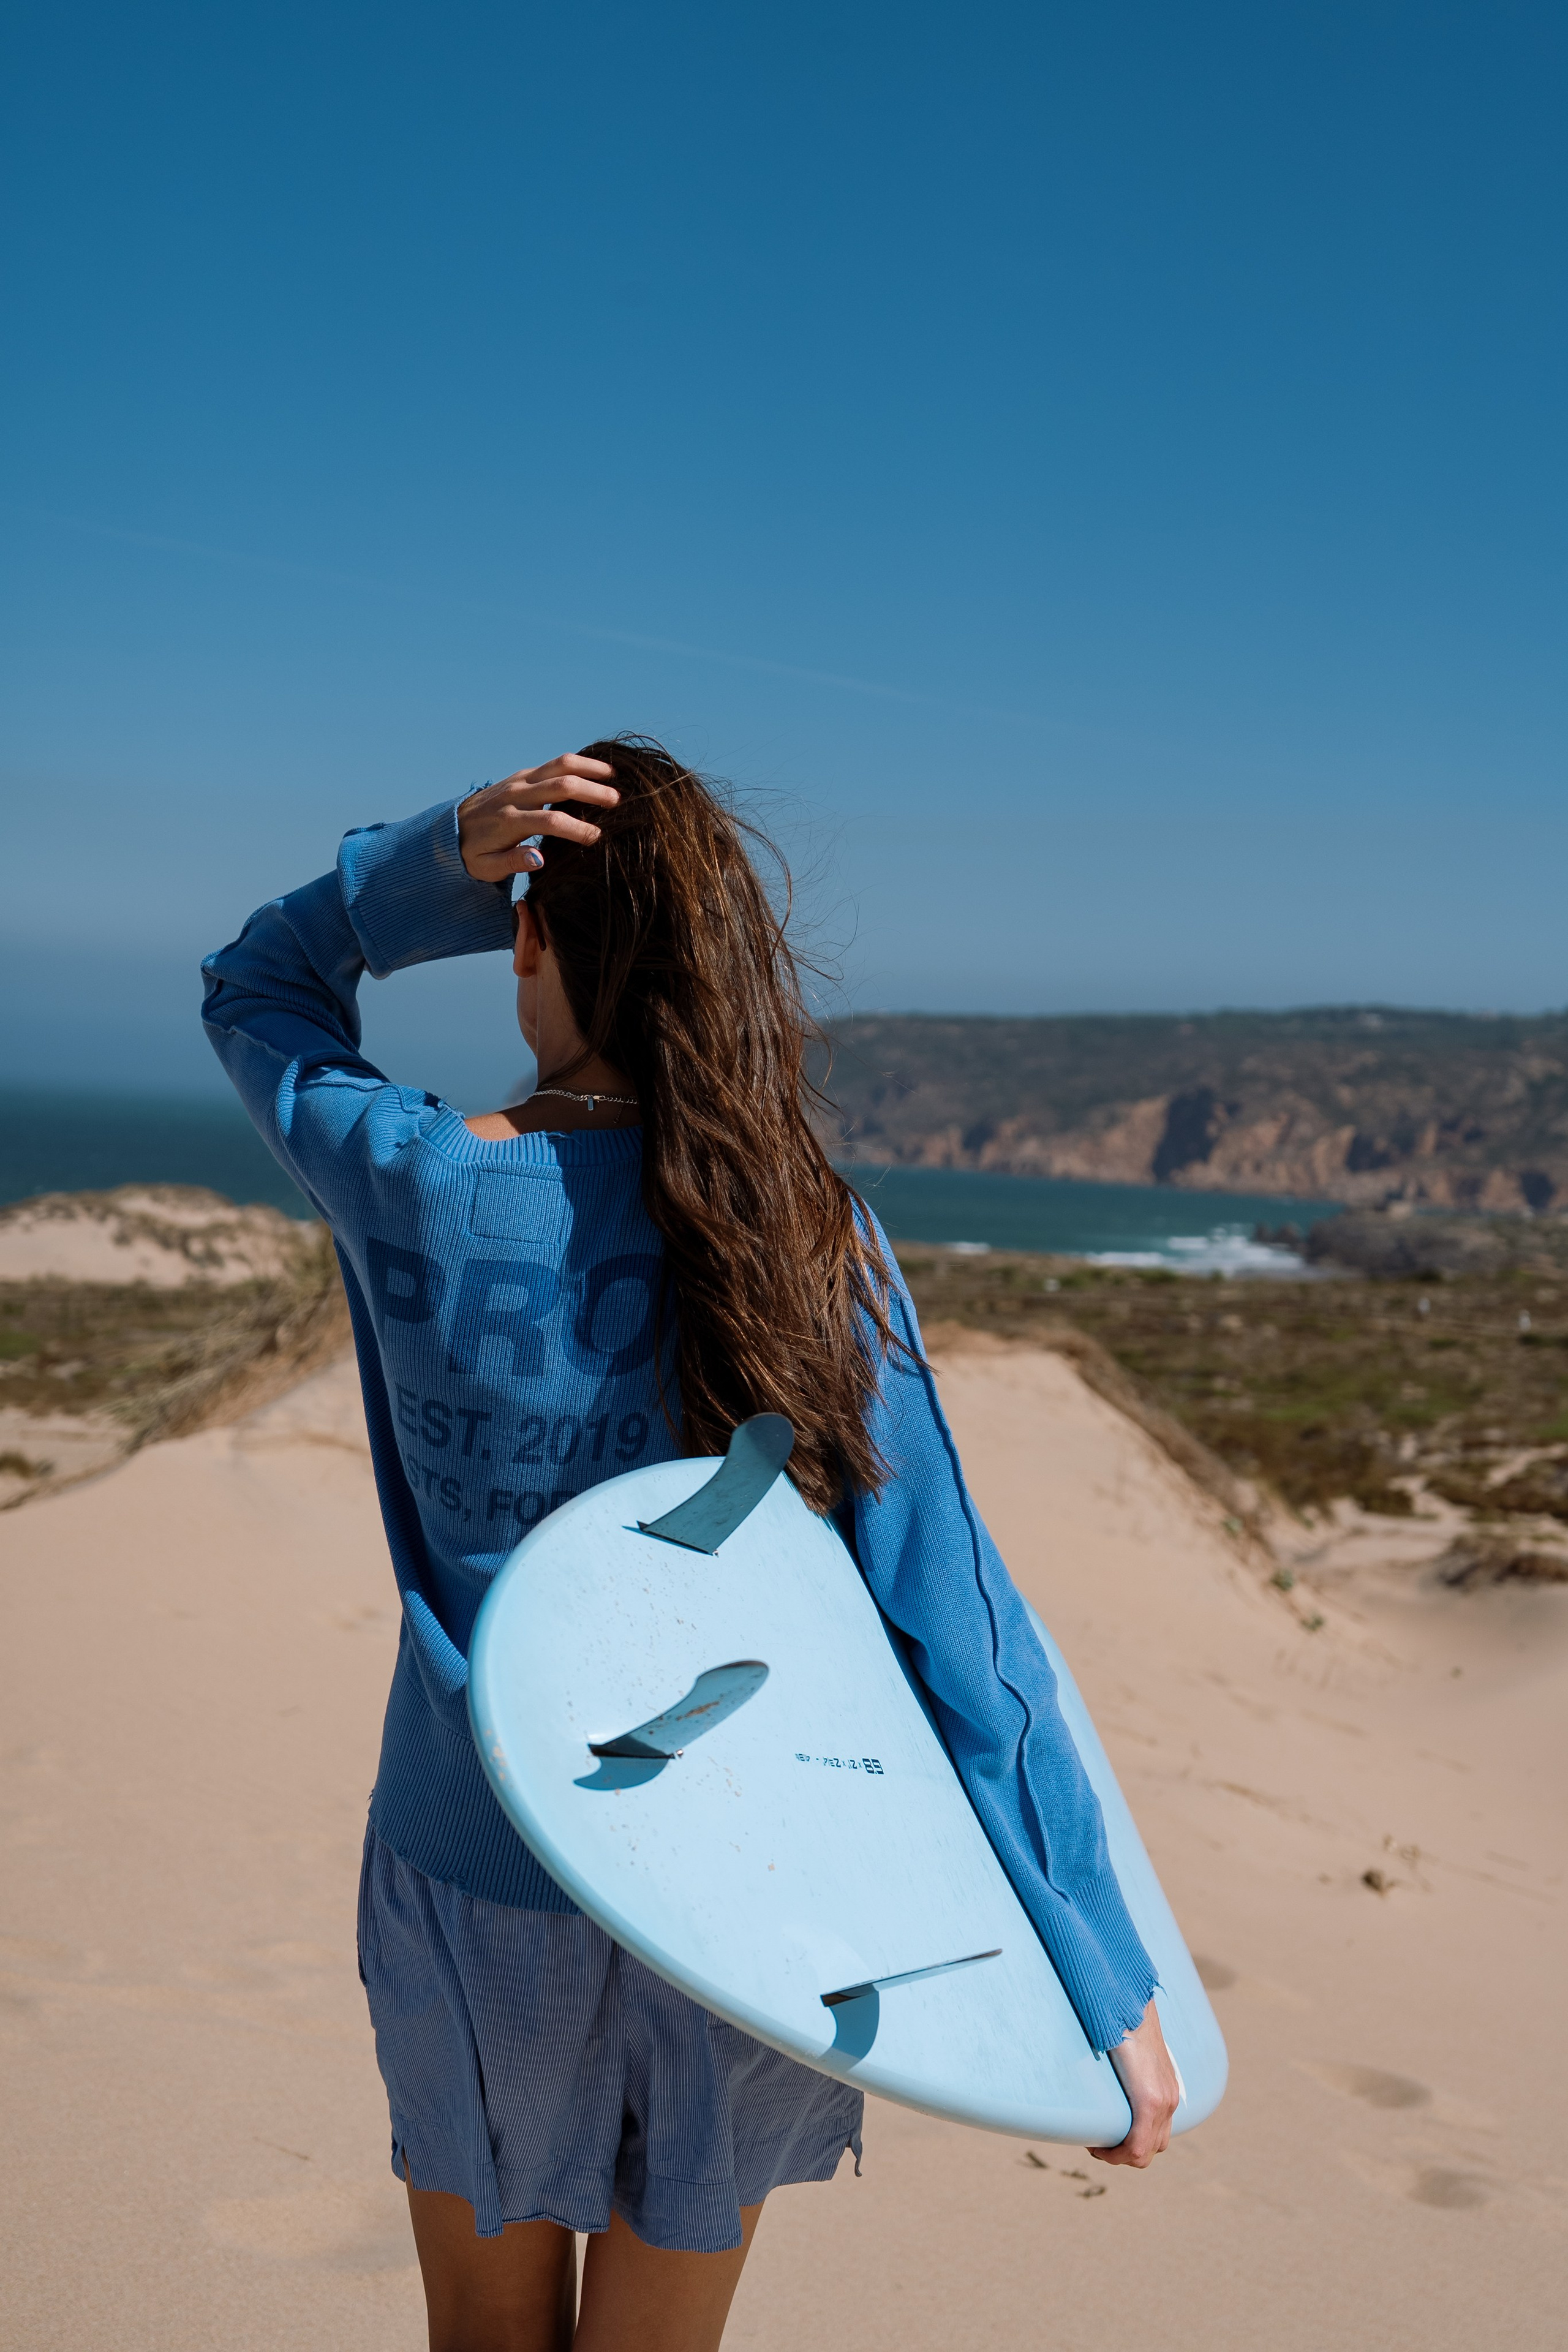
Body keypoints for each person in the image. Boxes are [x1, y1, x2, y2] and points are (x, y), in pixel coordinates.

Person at [202, 740, 1178, 2352]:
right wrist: (1102, 1965)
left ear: (532, 942)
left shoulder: (421, 1184)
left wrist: (438, 858)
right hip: (750, 1892)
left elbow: (260, 980)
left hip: (477, 1880)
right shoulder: (804, 1234)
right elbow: (960, 1622)